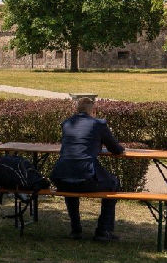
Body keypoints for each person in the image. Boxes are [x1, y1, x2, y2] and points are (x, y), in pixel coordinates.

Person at [50, 97, 125, 242]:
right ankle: (103, 231)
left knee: (70, 186)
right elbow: (116, 149)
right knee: (113, 184)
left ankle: (75, 229)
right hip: (86, 177)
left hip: (60, 178)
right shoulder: (98, 124)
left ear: (76, 110)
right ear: (94, 111)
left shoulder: (67, 124)